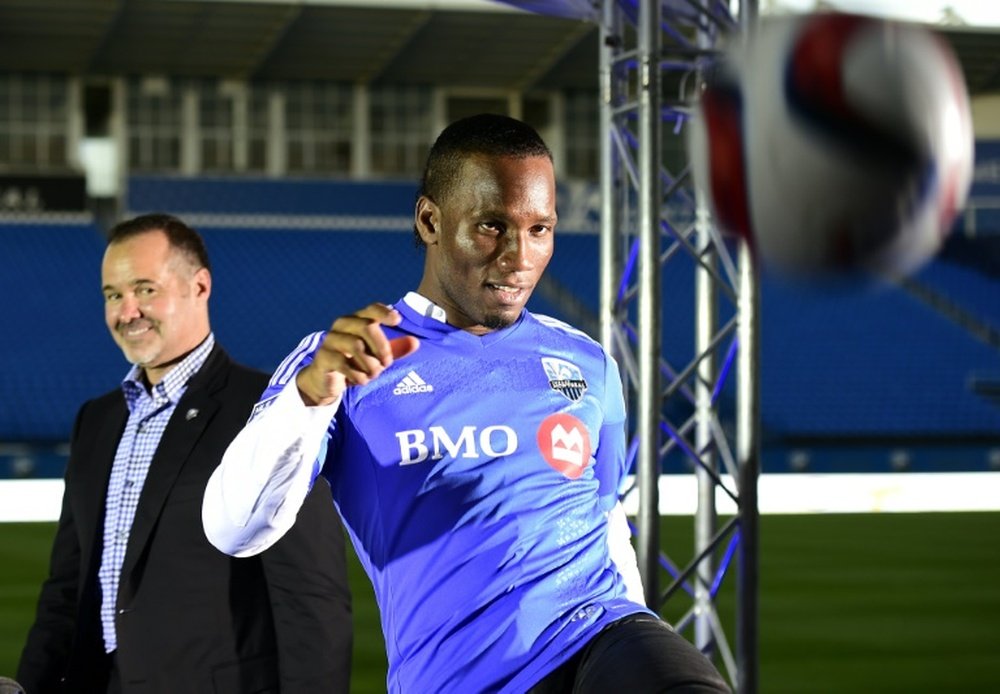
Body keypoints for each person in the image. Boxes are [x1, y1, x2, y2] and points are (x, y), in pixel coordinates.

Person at [202, 114, 730, 693]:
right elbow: (233, 529)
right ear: (430, 220)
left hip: (600, 636)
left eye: (540, 229)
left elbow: (604, 522)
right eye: (492, 226)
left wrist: (641, 637)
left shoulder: (587, 362)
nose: (520, 256)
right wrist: (307, 400)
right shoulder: (343, 362)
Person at [18, 214, 353, 693]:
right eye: (113, 295)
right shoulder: (96, 421)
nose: (126, 311)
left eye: (145, 289)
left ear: (199, 286)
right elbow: (66, 590)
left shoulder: (268, 412)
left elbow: (310, 600)